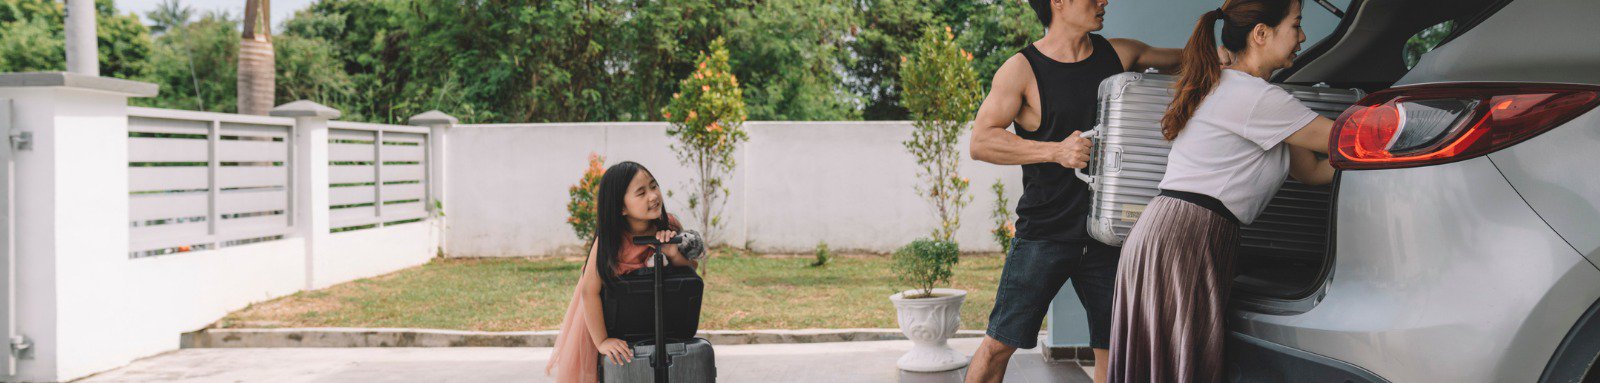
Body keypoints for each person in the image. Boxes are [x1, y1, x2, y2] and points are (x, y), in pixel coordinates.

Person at [965, 0, 1193, 381]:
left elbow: (1189, 61)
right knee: (998, 346)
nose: (1104, 1)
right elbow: (981, 141)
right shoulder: (1022, 69)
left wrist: (1228, 45)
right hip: (1045, 233)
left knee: (1114, 349)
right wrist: (1055, 151)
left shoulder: (1119, 53)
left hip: (1110, 237)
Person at [1107, 0, 1333, 381]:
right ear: (1261, 34)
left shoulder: (1239, 90)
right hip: (1189, 235)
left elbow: (1312, 171)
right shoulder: (1256, 98)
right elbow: (1344, 139)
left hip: (1171, 231)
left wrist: (1362, 160)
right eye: (1296, 25)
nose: (1303, 36)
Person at [546, 161, 699, 383]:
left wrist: (673, 253)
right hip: (608, 320)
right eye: (641, 192)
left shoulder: (669, 225)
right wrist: (602, 341)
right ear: (622, 207)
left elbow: (691, 272)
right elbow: (589, 292)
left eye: (654, 186)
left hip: (652, 318)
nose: (653, 196)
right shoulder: (610, 240)